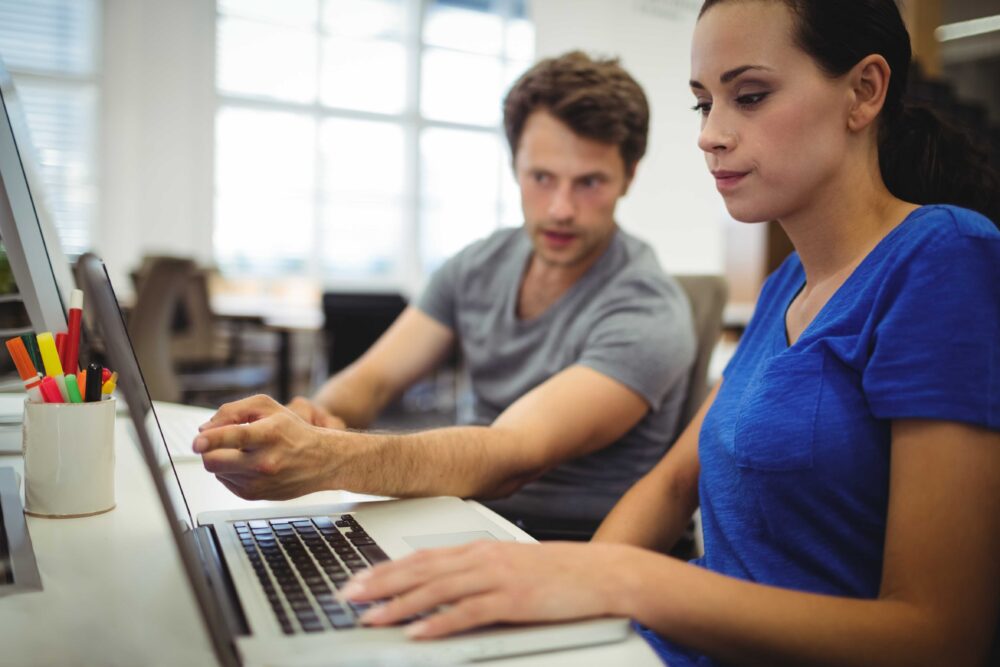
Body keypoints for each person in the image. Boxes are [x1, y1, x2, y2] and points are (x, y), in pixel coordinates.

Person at [335, 1, 1000, 665]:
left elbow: (941, 637)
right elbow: (673, 482)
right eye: (702, 104)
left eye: (750, 96)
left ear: (864, 90)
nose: (711, 134)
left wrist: (617, 579)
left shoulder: (944, 256)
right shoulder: (788, 286)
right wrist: (558, 603)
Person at [194, 52, 696, 536]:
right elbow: (370, 382)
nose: (561, 208)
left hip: (559, 543)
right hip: (460, 516)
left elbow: (513, 455)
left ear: (628, 176)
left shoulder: (648, 309)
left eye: (589, 183)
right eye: (541, 177)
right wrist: (316, 419)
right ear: (515, 165)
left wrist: (326, 457)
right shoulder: (478, 265)